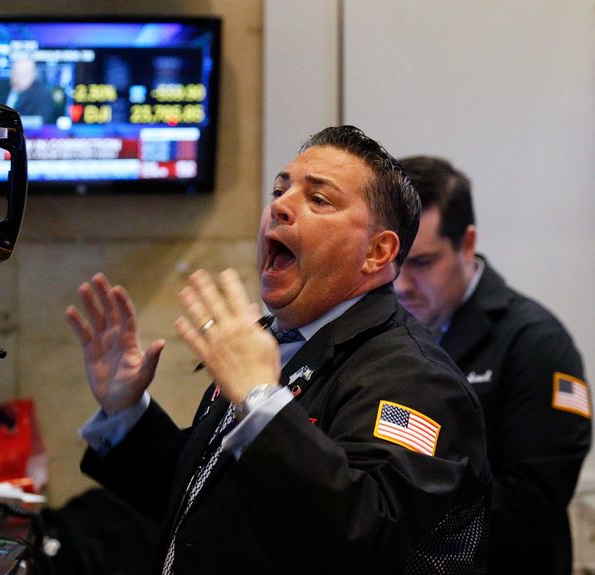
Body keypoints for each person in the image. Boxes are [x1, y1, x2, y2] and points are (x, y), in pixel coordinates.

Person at [65, 126, 491, 574]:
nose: (280, 207)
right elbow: (205, 503)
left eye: (319, 200)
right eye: (279, 190)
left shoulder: (413, 376)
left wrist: (261, 401)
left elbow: (370, 535)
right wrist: (126, 410)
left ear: (377, 251)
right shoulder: (273, 345)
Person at [394, 156, 592, 575]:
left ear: (467, 244)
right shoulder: (389, 333)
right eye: (394, 261)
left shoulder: (536, 343)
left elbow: (529, 504)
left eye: (422, 263)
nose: (401, 284)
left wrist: (391, 519)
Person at [4, 58, 57, 124]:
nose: (18, 78)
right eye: (16, 73)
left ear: (33, 75)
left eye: (23, 74)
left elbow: (40, 122)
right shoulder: (2, 89)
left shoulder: (42, 95)